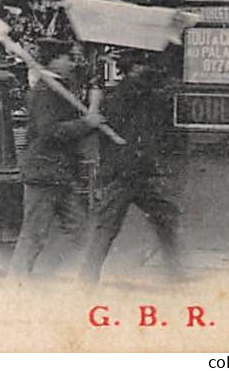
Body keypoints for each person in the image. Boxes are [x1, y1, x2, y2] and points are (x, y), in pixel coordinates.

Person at [79, 50, 184, 282]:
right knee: (107, 227)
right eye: (139, 66)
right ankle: (87, 276)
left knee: (164, 215)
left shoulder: (144, 96)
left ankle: (175, 272)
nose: (145, 70)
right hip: (122, 172)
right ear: (130, 69)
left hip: (139, 171)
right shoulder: (119, 98)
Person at [9, 40, 103, 276]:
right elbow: (50, 131)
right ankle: (15, 283)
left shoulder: (58, 87)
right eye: (68, 57)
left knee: (81, 230)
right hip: (44, 172)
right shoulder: (45, 91)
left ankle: (68, 278)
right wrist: (85, 124)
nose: (72, 63)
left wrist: (89, 120)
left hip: (59, 172)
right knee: (34, 235)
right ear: (54, 60)